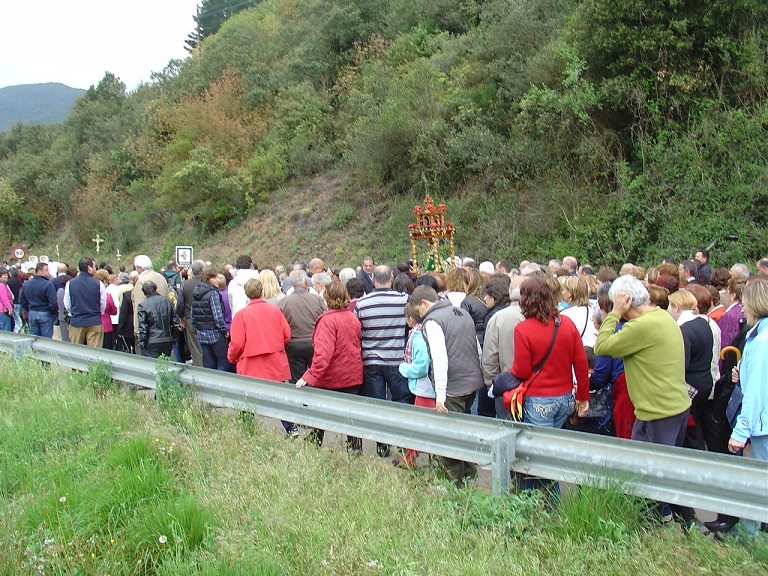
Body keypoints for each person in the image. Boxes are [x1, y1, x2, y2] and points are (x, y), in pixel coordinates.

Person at [594, 274, 694, 526]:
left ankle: (650, 530)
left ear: (626, 302)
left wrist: (614, 312)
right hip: (675, 407)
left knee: (645, 477)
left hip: (656, 412)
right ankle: (688, 522)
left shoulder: (641, 327)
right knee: (667, 471)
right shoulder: (662, 316)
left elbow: (602, 347)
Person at [410, 285, 483, 486]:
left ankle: (455, 486)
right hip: (471, 384)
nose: (420, 315)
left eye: (419, 310)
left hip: (453, 388)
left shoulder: (433, 321)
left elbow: (439, 358)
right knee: (463, 432)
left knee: (449, 441)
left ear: (425, 303)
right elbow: (477, 349)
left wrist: (440, 395)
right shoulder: (462, 312)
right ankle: (469, 479)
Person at [295, 281, 363, 451]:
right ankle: (355, 453)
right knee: (352, 419)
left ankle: (314, 448)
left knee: (321, 415)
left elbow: (323, 355)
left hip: (332, 377)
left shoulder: (327, 321)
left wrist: (308, 376)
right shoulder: (352, 317)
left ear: (327, 297)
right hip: (352, 374)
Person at [726, 278, 768, 538]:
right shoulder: (758, 336)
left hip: (762, 425)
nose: (741, 309)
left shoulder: (762, 342)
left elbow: (757, 392)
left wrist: (741, 432)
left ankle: (749, 536)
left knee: (756, 483)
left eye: (744, 304)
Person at [355, 265, 412, 458]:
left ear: (372, 280)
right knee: (402, 400)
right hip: (396, 358)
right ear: (391, 279)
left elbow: (358, 331)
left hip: (371, 360)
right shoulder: (404, 300)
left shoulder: (362, 303)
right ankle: (404, 444)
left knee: (378, 403)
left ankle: (382, 445)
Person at [667, 289, 714, 450]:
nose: (668, 311)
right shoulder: (703, 322)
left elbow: (682, 363)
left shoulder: (684, 330)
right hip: (705, 380)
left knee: (690, 429)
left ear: (677, 307)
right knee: (696, 423)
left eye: (670, 307)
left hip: (691, 384)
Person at [227, 278, 291, 382]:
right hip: (275, 363)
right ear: (262, 292)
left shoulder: (241, 315)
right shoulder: (275, 310)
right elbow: (287, 335)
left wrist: (231, 357)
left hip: (251, 366)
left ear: (246, 294)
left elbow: (237, 343)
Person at [191, 267, 230, 371]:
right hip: (215, 333)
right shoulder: (213, 294)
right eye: (215, 277)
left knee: (209, 363)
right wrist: (224, 330)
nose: (218, 279)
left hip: (201, 333)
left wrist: (198, 328)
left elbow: (192, 315)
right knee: (223, 361)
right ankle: (220, 384)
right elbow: (217, 316)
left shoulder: (196, 293)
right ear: (208, 279)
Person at [64, 257, 106, 347]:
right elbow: (102, 303)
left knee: (76, 351)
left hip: (77, 321)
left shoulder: (70, 284)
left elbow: (67, 304)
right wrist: (98, 313)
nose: (95, 269)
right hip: (94, 320)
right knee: (95, 352)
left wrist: (74, 312)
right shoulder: (99, 284)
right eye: (94, 266)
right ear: (89, 268)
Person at [136, 280, 178, 358]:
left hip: (151, 341)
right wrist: (174, 338)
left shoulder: (143, 305)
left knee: (152, 366)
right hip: (167, 339)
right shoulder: (168, 301)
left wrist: (141, 344)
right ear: (156, 288)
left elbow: (142, 328)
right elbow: (175, 322)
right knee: (165, 365)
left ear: (144, 292)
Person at [19, 262, 58, 338]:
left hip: (32, 312)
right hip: (45, 312)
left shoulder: (26, 284)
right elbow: (53, 303)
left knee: (34, 338)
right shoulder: (48, 284)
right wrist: (53, 312)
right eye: (46, 270)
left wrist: (29, 308)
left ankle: (34, 350)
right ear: (39, 271)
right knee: (46, 339)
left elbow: (22, 301)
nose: (48, 272)